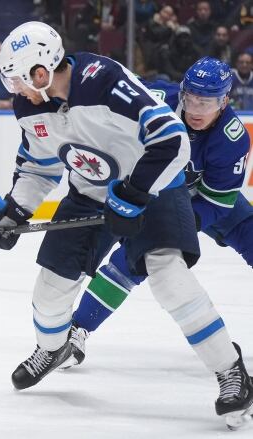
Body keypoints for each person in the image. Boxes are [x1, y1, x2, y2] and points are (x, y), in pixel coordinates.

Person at [0, 22, 253, 426]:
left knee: (167, 275)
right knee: (50, 292)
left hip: (155, 187)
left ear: (41, 71)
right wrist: (12, 211)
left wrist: (135, 194)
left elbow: (172, 139)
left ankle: (232, 373)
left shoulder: (103, 80)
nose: (13, 89)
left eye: (17, 79)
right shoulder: (29, 107)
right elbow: (38, 165)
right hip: (89, 192)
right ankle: (56, 348)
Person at [66, 58, 253, 376]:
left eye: (205, 101)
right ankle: (75, 333)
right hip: (159, 194)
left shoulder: (232, 138)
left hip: (206, 201)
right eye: (190, 97)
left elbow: (218, 201)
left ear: (224, 101)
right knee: (129, 261)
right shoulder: (156, 100)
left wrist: (182, 224)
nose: (195, 108)